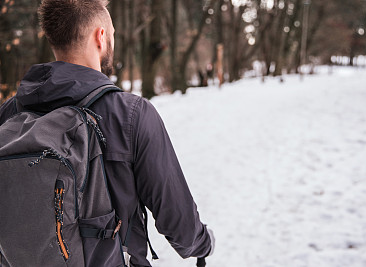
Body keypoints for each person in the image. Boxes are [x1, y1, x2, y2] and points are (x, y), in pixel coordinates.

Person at [0, 1, 214, 266]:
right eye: (112, 34)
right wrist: (204, 243)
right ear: (101, 36)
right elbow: (178, 223)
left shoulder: (10, 112)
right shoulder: (131, 114)